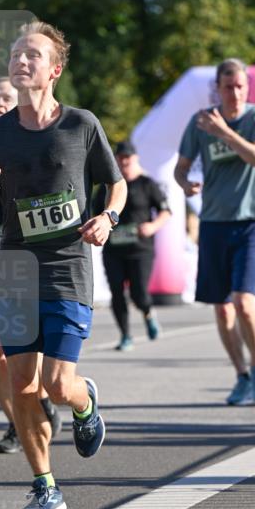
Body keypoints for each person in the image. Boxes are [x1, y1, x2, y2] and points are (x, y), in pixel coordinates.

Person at [0, 20, 127, 509]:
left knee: (58, 384)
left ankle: (84, 402)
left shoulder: (80, 125)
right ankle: (44, 486)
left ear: (53, 69)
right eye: (15, 53)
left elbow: (115, 184)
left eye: (32, 54)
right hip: (13, 267)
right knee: (22, 385)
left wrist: (108, 216)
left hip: (67, 267)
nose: (20, 61)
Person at [0, 78, 62, 454]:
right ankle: (14, 422)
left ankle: (37, 402)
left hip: (25, 258)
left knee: (21, 350)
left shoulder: (33, 144)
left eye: (3, 97)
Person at [174, 58, 255, 405]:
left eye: (241, 87)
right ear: (217, 88)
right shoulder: (199, 122)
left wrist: (226, 134)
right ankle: (242, 375)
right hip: (214, 222)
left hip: (250, 221)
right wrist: (186, 183)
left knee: (244, 301)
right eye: (229, 86)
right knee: (221, 307)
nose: (235, 93)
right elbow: (180, 168)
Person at [96, 140, 171, 351]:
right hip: (114, 250)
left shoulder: (147, 184)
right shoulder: (107, 188)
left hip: (141, 249)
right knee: (117, 294)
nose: (124, 162)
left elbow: (166, 211)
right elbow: (93, 212)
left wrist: (153, 226)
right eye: (120, 159)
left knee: (139, 294)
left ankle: (147, 312)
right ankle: (125, 335)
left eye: (128, 159)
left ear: (135, 159)